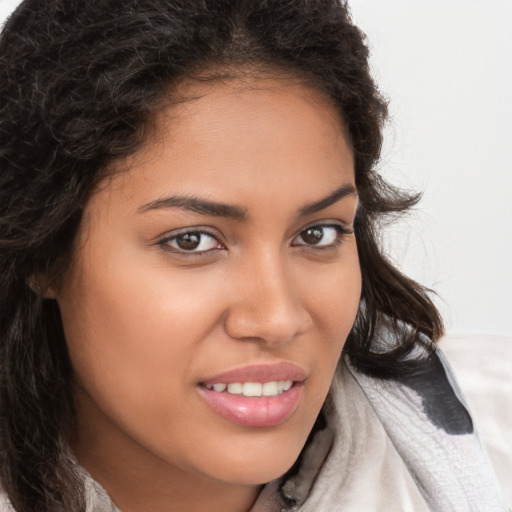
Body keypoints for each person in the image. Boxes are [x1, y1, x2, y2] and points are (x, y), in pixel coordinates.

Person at [0, 1, 508, 511]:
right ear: (42, 248)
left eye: (317, 233)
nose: (277, 318)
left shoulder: (496, 434)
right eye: (192, 241)